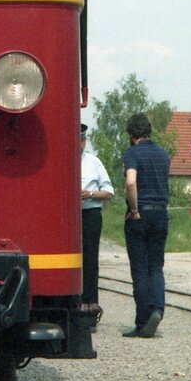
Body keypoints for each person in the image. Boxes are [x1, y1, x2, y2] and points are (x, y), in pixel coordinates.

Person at [122, 112, 170, 338]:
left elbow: (131, 182)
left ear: (132, 134)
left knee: (140, 269)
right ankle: (157, 310)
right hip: (161, 213)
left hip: (140, 214)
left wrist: (133, 210)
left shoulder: (132, 153)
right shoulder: (163, 154)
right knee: (156, 267)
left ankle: (142, 321)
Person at [80, 124, 114, 324]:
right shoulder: (60, 160)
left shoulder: (94, 163)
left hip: (89, 214)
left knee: (90, 260)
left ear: (84, 142)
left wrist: (91, 194)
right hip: (66, 217)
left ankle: (90, 306)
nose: (80, 144)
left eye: (82, 140)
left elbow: (109, 192)